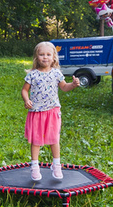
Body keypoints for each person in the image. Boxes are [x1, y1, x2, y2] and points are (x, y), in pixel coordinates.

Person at [21, 42, 80, 181]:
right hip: (36, 111)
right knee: (36, 140)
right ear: (36, 57)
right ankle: (35, 166)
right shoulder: (32, 75)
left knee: (54, 139)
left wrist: (73, 85)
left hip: (53, 111)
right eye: (41, 54)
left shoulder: (56, 73)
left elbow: (64, 87)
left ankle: (56, 165)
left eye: (48, 54)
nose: (45, 57)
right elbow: (24, 90)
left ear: (54, 57)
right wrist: (26, 99)